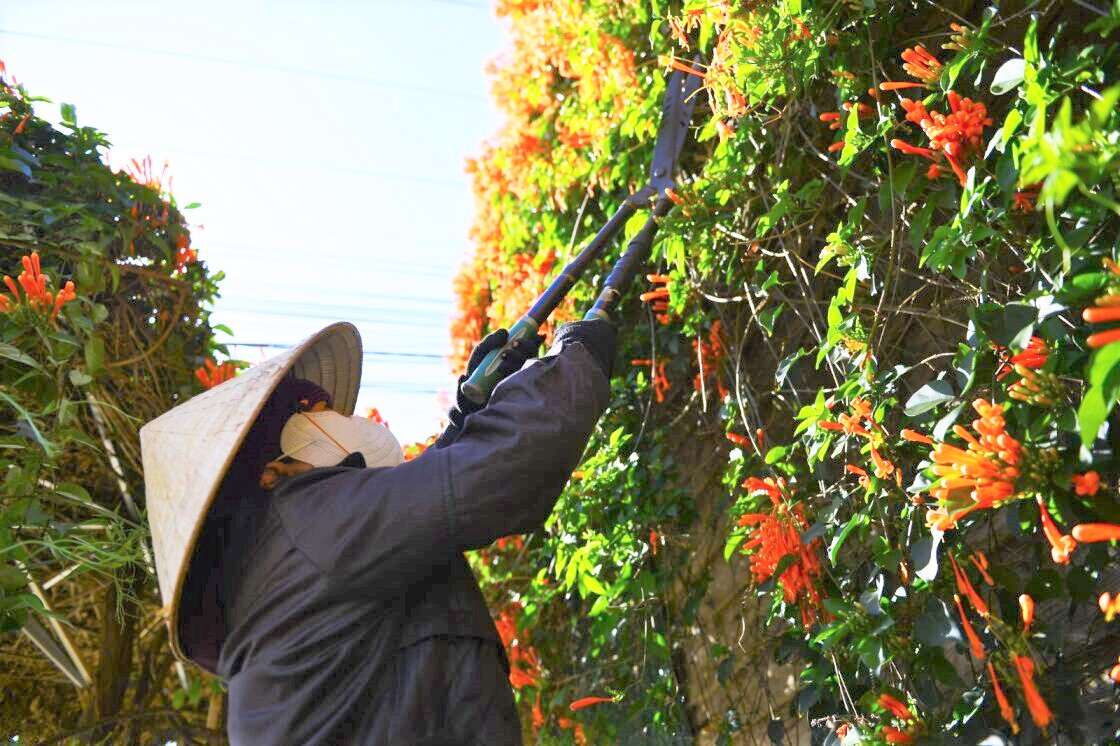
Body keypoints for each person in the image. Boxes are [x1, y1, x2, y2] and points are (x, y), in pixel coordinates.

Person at [140, 317, 616, 745]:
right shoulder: (305, 523)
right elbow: (497, 472)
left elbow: (414, 516)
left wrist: (466, 418)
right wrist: (577, 356)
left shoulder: (272, 572)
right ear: (270, 472)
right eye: (308, 416)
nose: (338, 420)